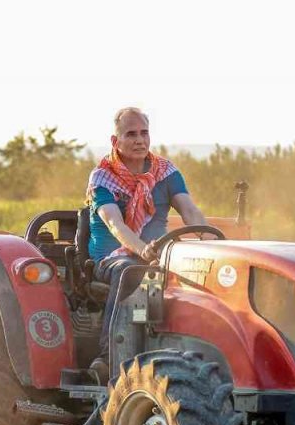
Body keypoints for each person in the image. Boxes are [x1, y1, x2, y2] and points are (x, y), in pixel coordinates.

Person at [86, 107, 209, 383]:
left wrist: (214, 244)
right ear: (115, 141)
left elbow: (190, 211)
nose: (139, 140)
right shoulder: (102, 178)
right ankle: (110, 358)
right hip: (112, 258)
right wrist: (142, 249)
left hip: (158, 254)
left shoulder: (166, 173)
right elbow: (115, 224)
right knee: (132, 270)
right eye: (131, 134)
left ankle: (183, 348)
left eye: (144, 132)